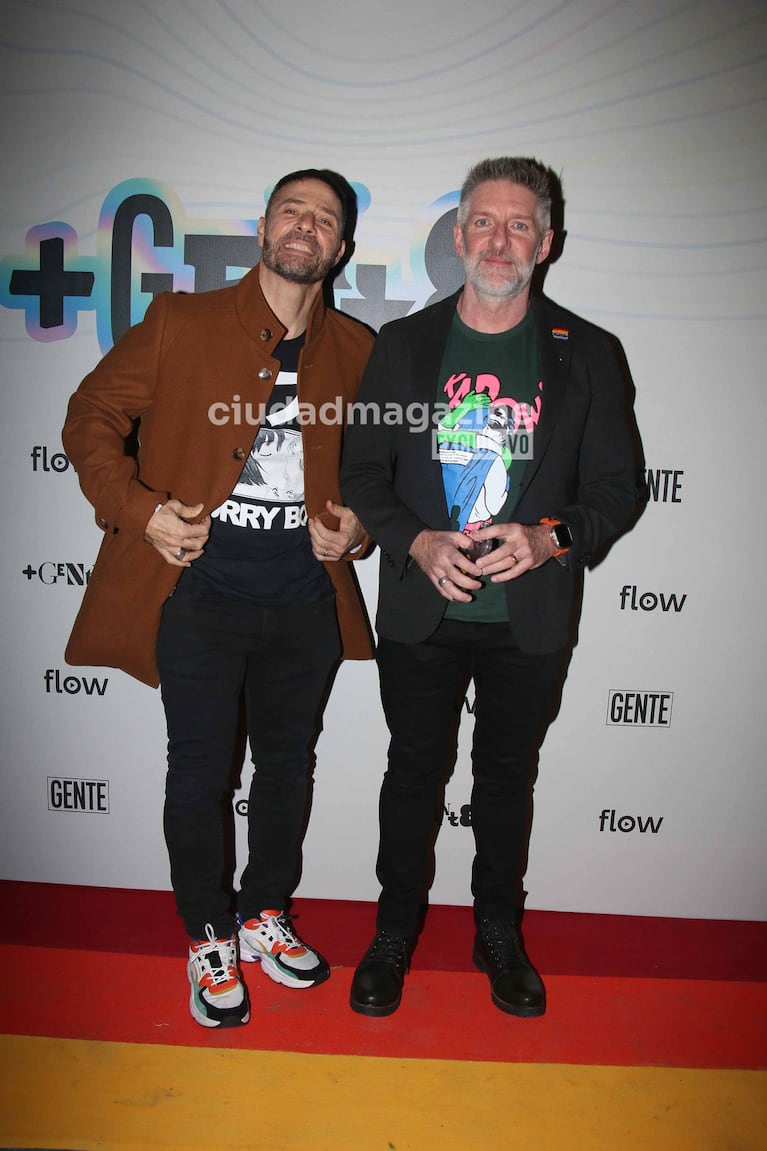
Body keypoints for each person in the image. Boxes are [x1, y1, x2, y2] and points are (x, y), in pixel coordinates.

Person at [62, 168, 374, 1028]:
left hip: (305, 597)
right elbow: (89, 416)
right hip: (198, 591)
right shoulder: (181, 322)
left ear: (340, 247)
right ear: (263, 229)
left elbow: (378, 478)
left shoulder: (358, 349)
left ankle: (263, 913)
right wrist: (140, 511)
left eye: (324, 219)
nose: (306, 227)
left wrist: (359, 530)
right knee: (200, 771)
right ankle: (208, 933)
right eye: (292, 212)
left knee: (287, 766)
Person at [340, 156, 639, 1018]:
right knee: (412, 773)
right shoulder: (403, 345)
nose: (498, 240)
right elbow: (362, 469)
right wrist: (414, 539)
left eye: (518, 225)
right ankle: (393, 930)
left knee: (506, 777)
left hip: (528, 616)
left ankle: (497, 933)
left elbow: (618, 488)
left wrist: (550, 538)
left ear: (545, 242)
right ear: (458, 233)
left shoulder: (588, 352)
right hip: (423, 608)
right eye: (482, 221)